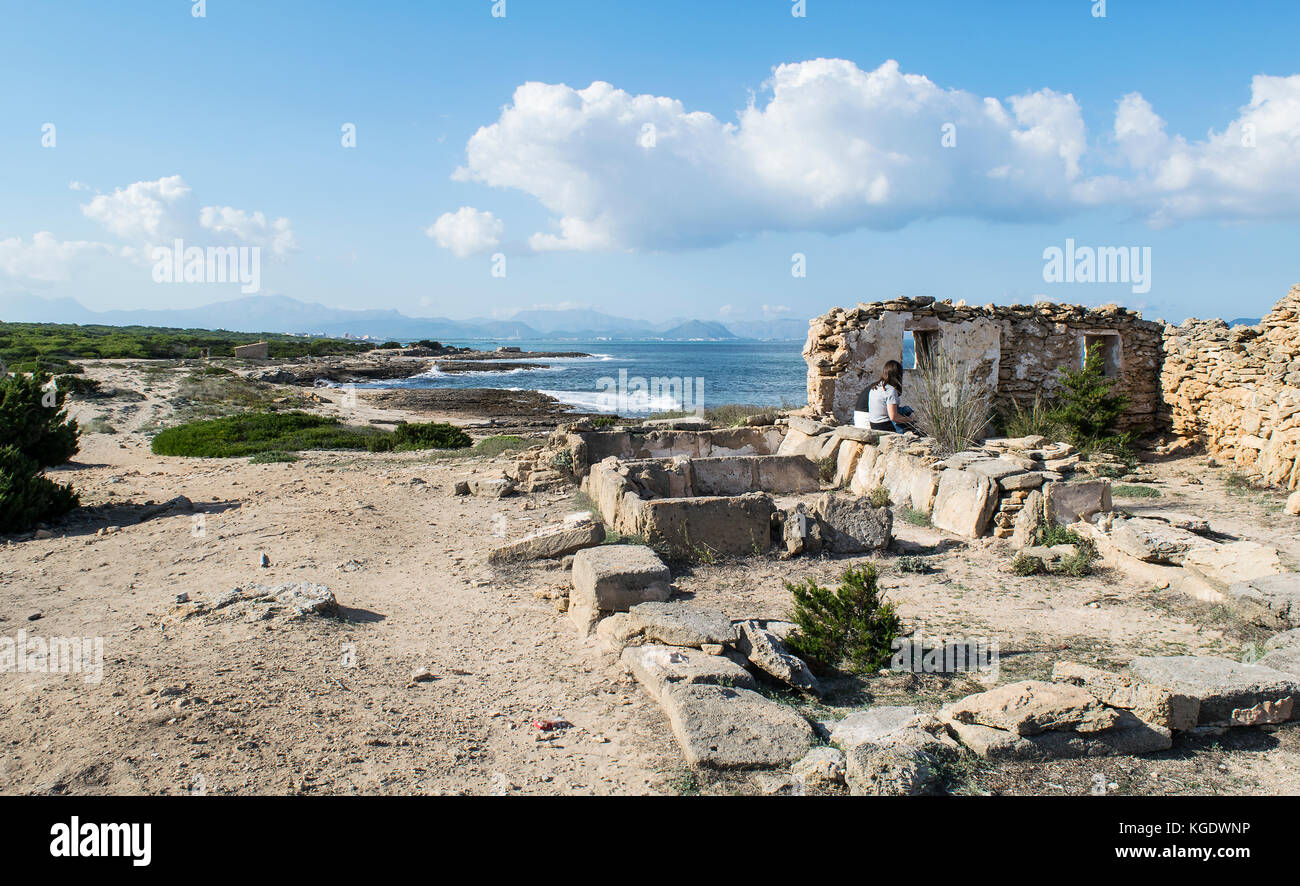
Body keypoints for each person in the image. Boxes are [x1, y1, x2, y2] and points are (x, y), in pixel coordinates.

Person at [854, 360, 917, 433]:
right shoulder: (890, 390)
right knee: (907, 419)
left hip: (869, 420)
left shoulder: (875, 387)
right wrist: (910, 420)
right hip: (868, 420)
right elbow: (893, 417)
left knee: (904, 410)